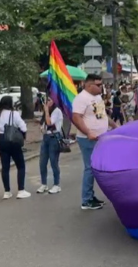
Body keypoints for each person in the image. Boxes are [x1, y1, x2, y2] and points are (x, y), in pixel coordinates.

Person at [71, 74, 117, 210]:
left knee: (98, 167)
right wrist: (88, 132)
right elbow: (76, 117)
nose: (101, 87)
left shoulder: (97, 97)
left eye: (101, 84)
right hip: (88, 139)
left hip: (101, 137)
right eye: (98, 85)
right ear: (89, 85)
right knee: (90, 168)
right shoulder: (81, 98)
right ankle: (86, 200)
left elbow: (102, 115)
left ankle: (90, 196)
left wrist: (114, 125)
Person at [0, 96, 29, 199]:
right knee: (20, 165)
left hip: (0, 139)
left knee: (5, 166)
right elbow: (23, 127)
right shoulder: (14, 114)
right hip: (12, 140)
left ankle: (7, 192)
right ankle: (21, 190)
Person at [37, 98, 63, 195]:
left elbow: (49, 122)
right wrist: (42, 128)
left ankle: (56, 184)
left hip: (54, 138)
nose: (47, 102)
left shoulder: (57, 111)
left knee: (53, 161)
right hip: (46, 137)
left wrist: (47, 111)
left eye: (49, 100)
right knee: (42, 162)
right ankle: (44, 184)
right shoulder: (47, 112)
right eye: (46, 100)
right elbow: (44, 124)